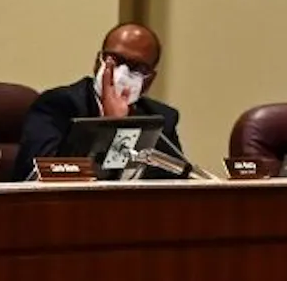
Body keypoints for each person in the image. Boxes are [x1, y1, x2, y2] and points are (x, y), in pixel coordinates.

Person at [16, 22, 183, 180]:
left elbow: (174, 185)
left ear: (149, 80)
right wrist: (112, 128)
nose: (123, 72)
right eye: (115, 60)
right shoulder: (57, 105)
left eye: (137, 68)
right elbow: (42, 176)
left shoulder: (161, 118)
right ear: (98, 63)